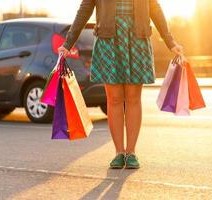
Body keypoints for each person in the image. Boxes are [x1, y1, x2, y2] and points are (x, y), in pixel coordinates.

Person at [58, 0, 185, 169]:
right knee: (114, 99)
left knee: (133, 98)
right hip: (108, 40)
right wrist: (68, 43)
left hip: (137, 38)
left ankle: (131, 152)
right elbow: (85, 8)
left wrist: (170, 42)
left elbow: (154, 8)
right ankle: (119, 153)